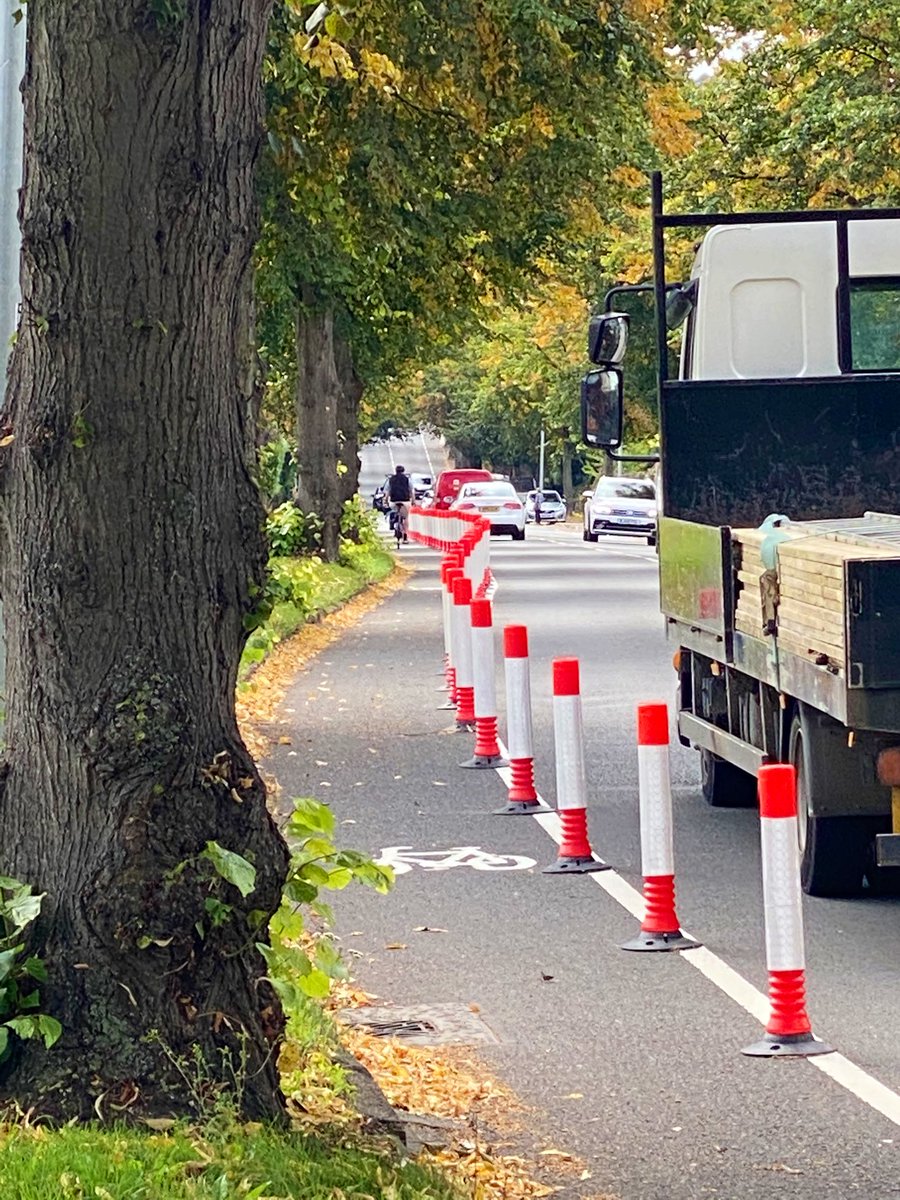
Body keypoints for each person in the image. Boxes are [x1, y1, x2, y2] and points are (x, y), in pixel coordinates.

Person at [388, 464, 413, 542]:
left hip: (393, 501)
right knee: (406, 517)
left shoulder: (391, 479)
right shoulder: (407, 479)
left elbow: (388, 491)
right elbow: (411, 491)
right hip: (405, 501)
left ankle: (395, 521)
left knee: (394, 510)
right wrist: (413, 501)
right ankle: (405, 536)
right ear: (403, 471)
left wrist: (385, 500)